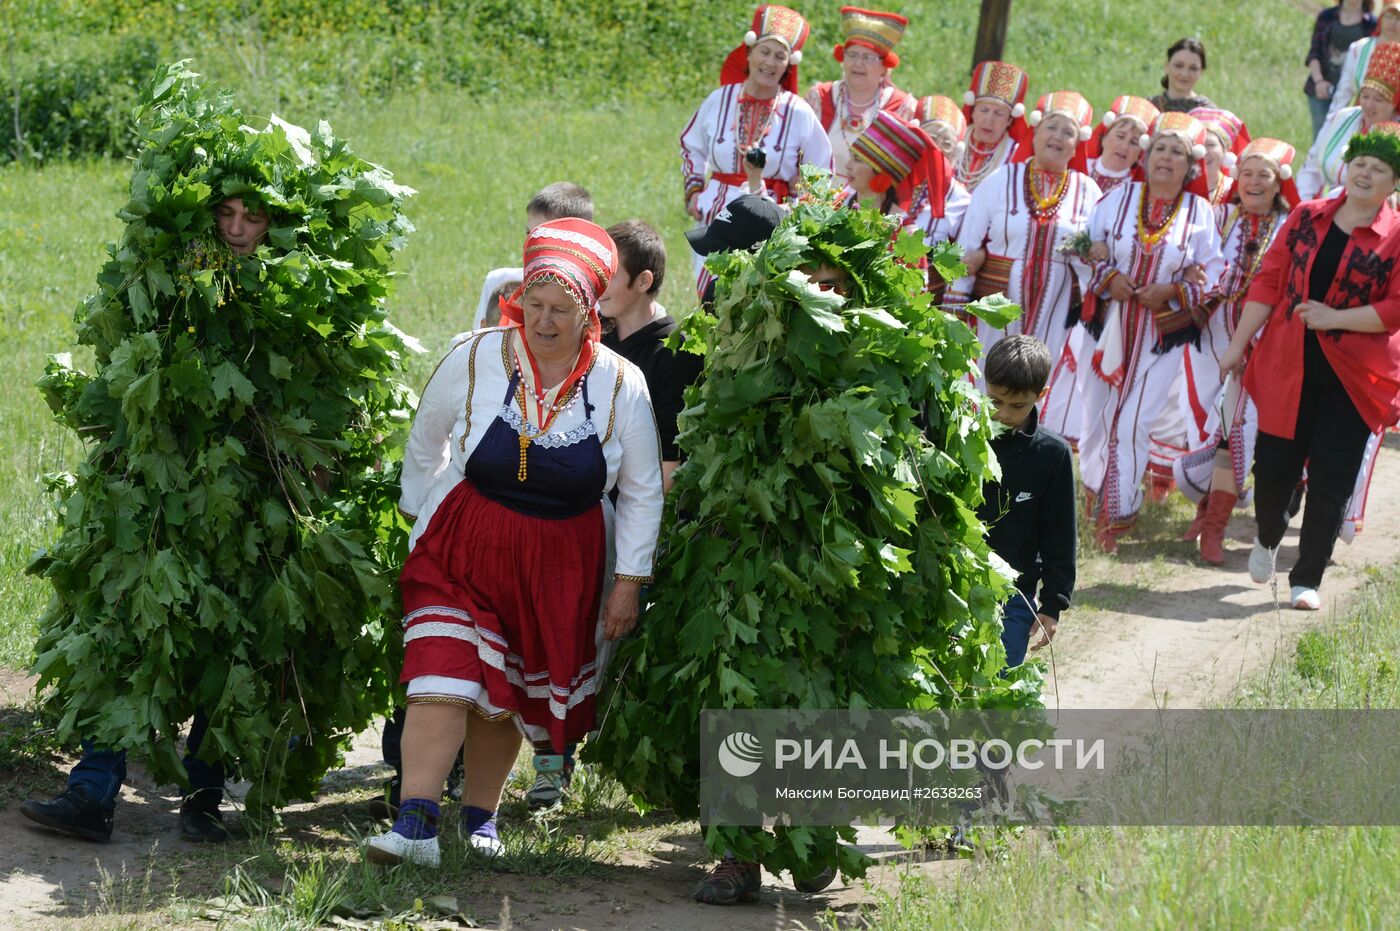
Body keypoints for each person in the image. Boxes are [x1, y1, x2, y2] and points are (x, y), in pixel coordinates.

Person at [365, 219, 664, 867]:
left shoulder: (619, 384)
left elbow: (641, 490)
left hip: (558, 564)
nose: (545, 320)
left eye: (562, 309)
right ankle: (415, 824)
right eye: (534, 304)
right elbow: (426, 441)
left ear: (591, 314)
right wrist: (420, 518)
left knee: (502, 695)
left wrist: (629, 581)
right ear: (517, 300)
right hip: (462, 544)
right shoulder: (474, 355)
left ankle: (480, 819)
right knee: (439, 673)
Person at [18, 194, 274, 846]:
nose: (239, 230)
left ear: (274, 223)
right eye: (228, 215)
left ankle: (203, 798)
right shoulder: (166, 285)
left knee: (226, 638)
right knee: (121, 631)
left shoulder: (288, 299)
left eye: (254, 217)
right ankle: (93, 791)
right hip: (150, 491)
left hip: (240, 499)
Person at [1219, 128, 1400, 611]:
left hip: (1356, 377)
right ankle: (1267, 536)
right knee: (1274, 468)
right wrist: (1238, 346)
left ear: (1393, 183)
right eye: (1360, 162)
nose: (1364, 173)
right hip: (1287, 362)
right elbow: (1269, 280)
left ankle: (1307, 578)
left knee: (1331, 478)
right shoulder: (1306, 216)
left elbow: (1397, 307)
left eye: (1378, 169)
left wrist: (1334, 319)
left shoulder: (1396, 236)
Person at [1079, 111, 1225, 551]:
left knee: (1133, 421)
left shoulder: (1199, 212)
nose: (1166, 158)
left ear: (1191, 165)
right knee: (1097, 418)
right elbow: (1079, 243)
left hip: (1163, 335)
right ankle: (1093, 497)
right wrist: (1106, 275)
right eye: (1160, 148)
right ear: (1146, 156)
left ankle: (1115, 516)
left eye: (1177, 152)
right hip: (1110, 327)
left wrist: (1174, 291)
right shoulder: (1120, 197)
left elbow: (1214, 275)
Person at [1174, 139, 1298, 565]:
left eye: (1263, 174)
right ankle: (1203, 509)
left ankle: (1214, 528)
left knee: (1236, 428)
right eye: (1245, 173)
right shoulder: (1219, 216)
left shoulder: (1290, 225)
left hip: (1261, 343)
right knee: (1203, 422)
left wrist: (1254, 340)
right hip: (1209, 338)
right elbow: (1193, 260)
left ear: (1279, 182)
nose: (1252, 182)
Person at [949, 91, 1101, 413]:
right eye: (1051, 127)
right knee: (988, 375)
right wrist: (957, 305)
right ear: (1035, 131)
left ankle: (1029, 446)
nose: (1058, 137)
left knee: (1040, 378)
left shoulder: (1087, 191)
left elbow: (1096, 254)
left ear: (1078, 144)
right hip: (997, 301)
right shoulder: (1002, 179)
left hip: (1054, 310)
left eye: (1068, 132)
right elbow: (967, 244)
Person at [681, 4, 833, 297]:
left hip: (769, 221)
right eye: (764, 52)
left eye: (780, 56)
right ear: (749, 53)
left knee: (756, 300)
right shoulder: (719, 99)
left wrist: (795, 212)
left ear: (789, 64)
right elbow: (690, 145)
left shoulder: (798, 112)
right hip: (717, 215)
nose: (770, 62)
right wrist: (695, 192)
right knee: (711, 300)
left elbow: (821, 171)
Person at [978, 335, 1076, 667]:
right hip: (956, 587)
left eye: (1017, 405)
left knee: (998, 687)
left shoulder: (1052, 454)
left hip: (1014, 596)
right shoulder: (962, 435)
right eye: (994, 401)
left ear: (1040, 396)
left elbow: (1059, 534)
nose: (1003, 414)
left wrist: (1052, 604)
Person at [805, 6, 914, 184]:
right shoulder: (820, 96)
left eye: (868, 58)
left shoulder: (901, 105)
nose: (858, 63)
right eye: (852, 54)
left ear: (884, 66)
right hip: (816, 198)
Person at [472, 182, 594, 330]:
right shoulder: (499, 283)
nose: (531, 244)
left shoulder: (592, 300)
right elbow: (477, 343)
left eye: (544, 237)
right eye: (529, 233)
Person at [1299, 40, 1400, 200]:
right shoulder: (1341, 118)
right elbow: (1311, 168)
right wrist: (1304, 203)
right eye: (1365, 96)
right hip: (1325, 208)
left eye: (1379, 99)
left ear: (1394, 104)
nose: (1368, 104)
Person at [843, 109, 949, 244]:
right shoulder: (837, 204)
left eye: (857, 159)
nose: (847, 165)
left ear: (883, 173)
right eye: (851, 156)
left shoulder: (905, 235)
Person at [955, 59, 1030, 192]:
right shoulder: (952, 140)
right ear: (972, 112)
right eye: (983, 110)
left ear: (1009, 120)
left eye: (999, 113)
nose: (989, 120)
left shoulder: (1016, 154)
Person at [911, 94, 973, 252]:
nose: (936, 149)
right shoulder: (893, 179)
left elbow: (962, 253)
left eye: (946, 144)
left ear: (956, 152)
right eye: (931, 138)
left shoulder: (960, 199)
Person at [1308, 1, 1379, 137]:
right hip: (1320, 88)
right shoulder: (1326, 16)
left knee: (1343, 136)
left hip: (1353, 93)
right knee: (1321, 135)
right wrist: (1319, 81)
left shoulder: (1371, 24)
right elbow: (1314, 52)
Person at [1327, 0, 1400, 122]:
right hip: (1362, 119)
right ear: (1381, 18)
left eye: (1398, 18)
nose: (1393, 22)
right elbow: (1344, 92)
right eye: (1389, 16)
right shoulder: (1359, 49)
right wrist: (1332, 122)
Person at [1084, 95, 1161, 196]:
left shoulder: (1138, 191)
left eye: (1134, 142)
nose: (1125, 146)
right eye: (1120, 136)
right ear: (1104, 138)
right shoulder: (1076, 170)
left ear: (1140, 154)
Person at [1191, 108, 1250, 208]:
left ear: (1225, 151)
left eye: (1210, 144)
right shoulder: (1176, 188)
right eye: (1197, 144)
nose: (1203, 152)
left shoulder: (1235, 191)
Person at [1149, 38, 1213, 114]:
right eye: (1178, 65)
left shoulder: (1208, 113)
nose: (1184, 74)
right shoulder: (1148, 108)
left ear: (1201, 72)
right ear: (1167, 66)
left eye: (1193, 68)